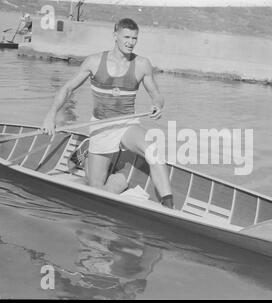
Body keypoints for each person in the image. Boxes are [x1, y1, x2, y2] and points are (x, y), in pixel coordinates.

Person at [41, 18, 174, 209]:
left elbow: (157, 96)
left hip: (126, 124)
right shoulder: (94, 62)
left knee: (153, 151)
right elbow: (68, 88)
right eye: (126, 37)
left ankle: (169, 208)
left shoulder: (142, 64)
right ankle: (89, 157)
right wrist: (50, 116)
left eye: (134, 38)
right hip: (101, 126)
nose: (131, 42)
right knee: (96, 189)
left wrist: (157, 105)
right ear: (115, 36)